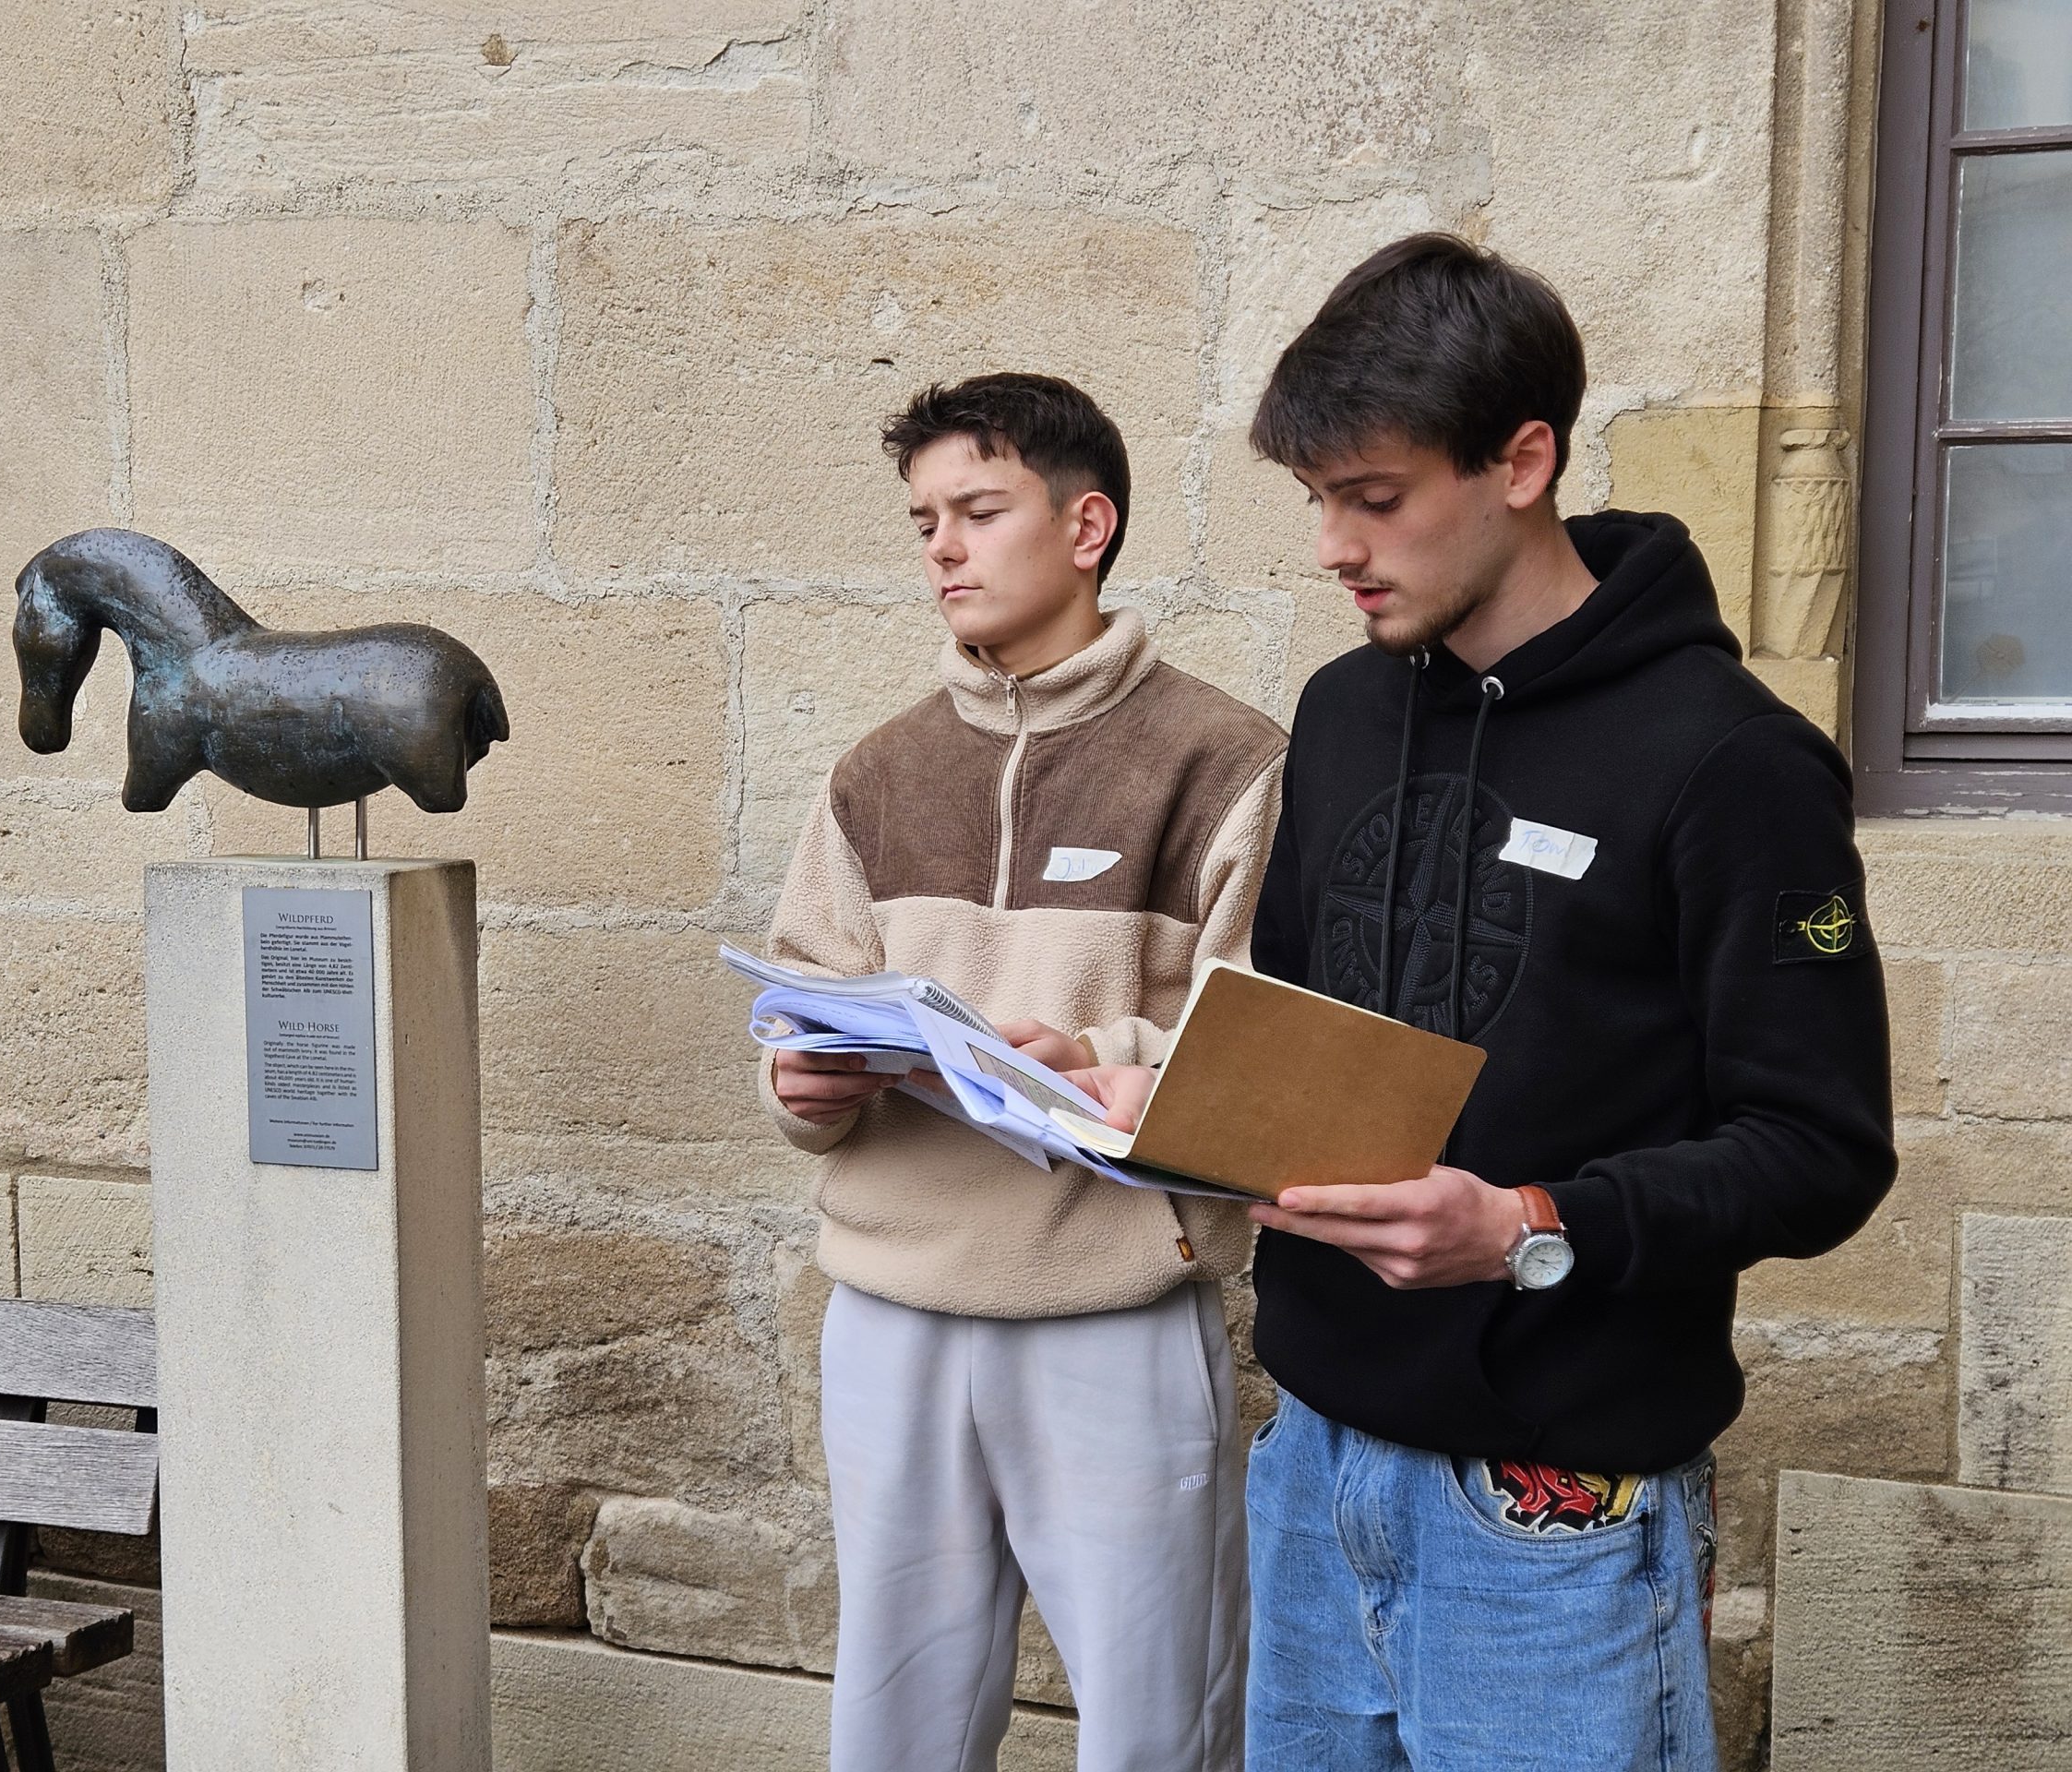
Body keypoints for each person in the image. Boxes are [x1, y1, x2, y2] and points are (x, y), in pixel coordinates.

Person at [1072, 235, 1897, 1769]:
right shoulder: (1340, 710)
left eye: (1373, 499)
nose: (1333, 544)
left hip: (1557, 1515)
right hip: (1314, 1467)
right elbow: (1306, 1049)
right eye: (1318, 500)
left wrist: (1528, 1225)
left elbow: (1821, 1149)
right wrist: (1153, 1104)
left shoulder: (1733, 764)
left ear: (1525, 460)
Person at [760, 371, 1287, 1772]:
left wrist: (1098, 1056)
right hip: (891, 1307)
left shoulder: (1225, 760)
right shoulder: (876, 773)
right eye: (923, 517)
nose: (941, 545)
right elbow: (801, 998)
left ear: (1086, 525)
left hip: (1111, 1299)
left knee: (1156, 1718)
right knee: (894, 1718)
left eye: (978, 510)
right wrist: (802, 1090)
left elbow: (1268, 1047)